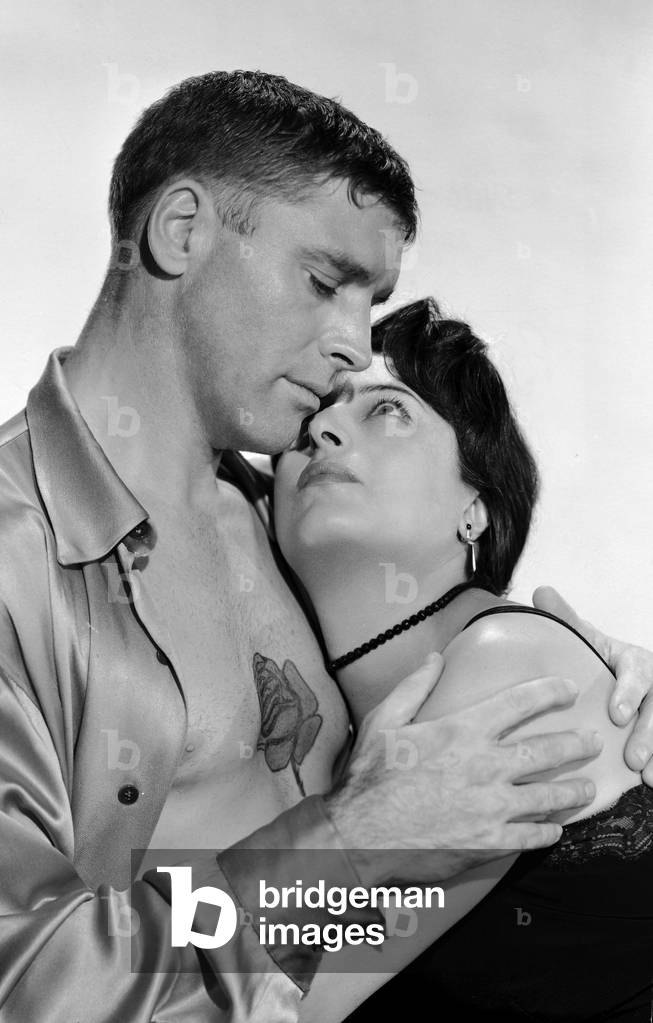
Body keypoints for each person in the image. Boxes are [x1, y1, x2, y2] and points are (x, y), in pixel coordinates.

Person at [0, 71, 653, 1023]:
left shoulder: (277, 518)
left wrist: (610, 673)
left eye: (369, 300)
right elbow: (0, 993)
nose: (351, 343)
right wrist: (350, 837)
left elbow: (447, 652)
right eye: (322, 283)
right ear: (182, 232)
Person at [273, 297, 653, 1020]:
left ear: (475, 507)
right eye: (308, 415)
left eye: (385, 410)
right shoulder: (348, 725)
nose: (321, 427)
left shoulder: (505, 662)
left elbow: (288, 992)